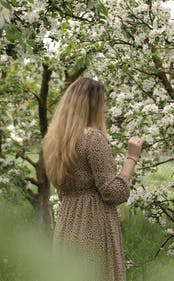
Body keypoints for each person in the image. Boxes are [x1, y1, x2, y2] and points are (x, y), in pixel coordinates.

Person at [43, 77, 144, 281]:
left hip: (66, 225)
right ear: (91, 106)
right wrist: (132, 158)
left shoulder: (56, 142)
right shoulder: (92, 138)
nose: (106, 110)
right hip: (93, 226)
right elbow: (114, 192)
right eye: (103, 103)